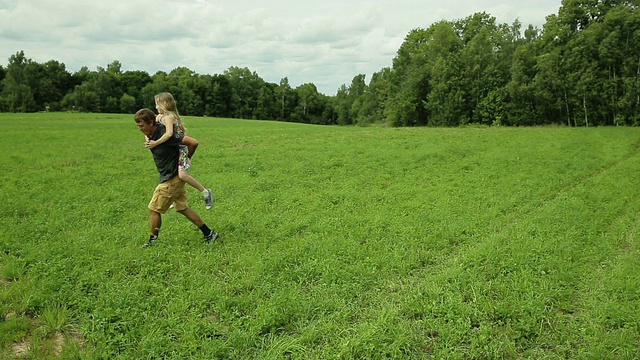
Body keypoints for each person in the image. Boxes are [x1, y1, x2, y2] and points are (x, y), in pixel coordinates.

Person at [135, 108, 218, 247]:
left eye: (142, 125)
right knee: (182, 208)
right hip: (168, 176)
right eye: (138, 126)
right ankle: (209, 233)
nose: (140, 129)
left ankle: (152, 241)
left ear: (151, 123)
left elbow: (193, 142)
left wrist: (186, 160)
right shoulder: (152, 133)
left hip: (171, 178)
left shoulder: (167, 135)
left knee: (154, 209)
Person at [145, 92, 213, 210]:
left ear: (165, 104)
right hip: (172, 150)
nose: (155, 107)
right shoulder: (159, 117)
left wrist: (156, 143)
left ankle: (205, 192)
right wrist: (148, 138)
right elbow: (151, 131)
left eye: (157, 104)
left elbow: (169, 134)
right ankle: (172, 196)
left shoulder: (169, 117)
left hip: (181, 150)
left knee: (182, 175)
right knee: (172, 174)